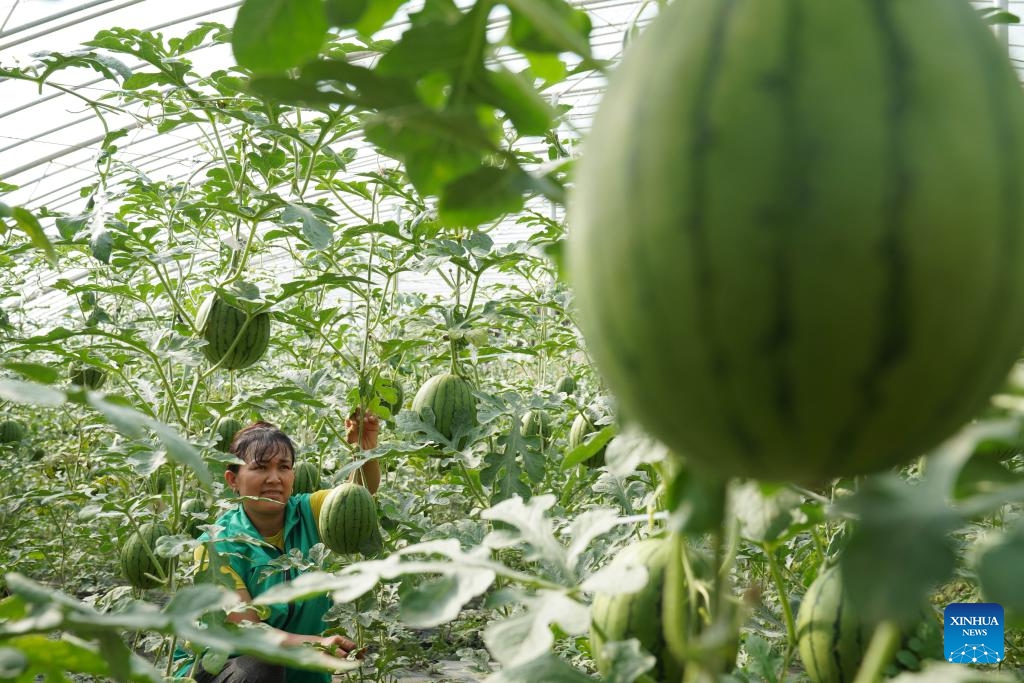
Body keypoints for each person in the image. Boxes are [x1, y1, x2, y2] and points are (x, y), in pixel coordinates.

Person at [175, 411, 381, 683]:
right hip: (222, 670)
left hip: (299, 672)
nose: (274, 478)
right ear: (232, 480)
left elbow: (356, 497)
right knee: (261, 666)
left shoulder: (310, 511)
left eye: (284, 467)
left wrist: (365, 449)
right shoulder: (216, 545)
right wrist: (313, 644)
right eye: (261, 467)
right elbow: (246, 629)